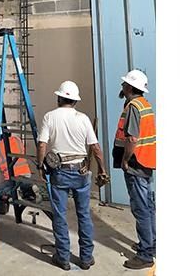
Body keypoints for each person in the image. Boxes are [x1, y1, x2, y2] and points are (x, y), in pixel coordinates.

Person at [37, 80, 108, 271]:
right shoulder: (83, 118)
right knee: (84, 215)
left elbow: (42, 144)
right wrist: (102, 169)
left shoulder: (50, 117)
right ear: (75, 101)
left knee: (60, 216)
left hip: (59, 172)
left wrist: (40, 166)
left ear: (59, 98)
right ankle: (86, 258)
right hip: (81, 171)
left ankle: (63, 258)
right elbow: (95, 147)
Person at [113, 69, 156, 270]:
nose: (122, 86)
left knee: (141, 210)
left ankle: (146, 254)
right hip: (147, 163)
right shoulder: (145, 104)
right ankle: (152, 245)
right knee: (148, 206)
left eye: (124, 84)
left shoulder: (133, 107)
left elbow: (132, 138)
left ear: (130, 87)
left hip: (136, 164)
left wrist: (125, 161)